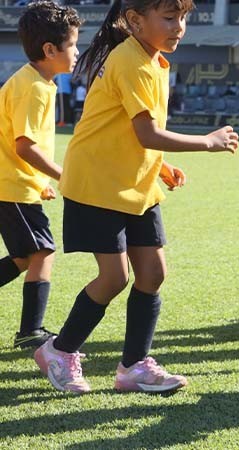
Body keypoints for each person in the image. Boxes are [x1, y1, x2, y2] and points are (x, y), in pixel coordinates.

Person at [34, 0, 239, 395]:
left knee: (153, 273)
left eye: (183, 17)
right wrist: (207, 142)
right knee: (115, 277)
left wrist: (159, 166)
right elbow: (146, 132)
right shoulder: (129, 59)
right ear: (134, 20)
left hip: (135, 185)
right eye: (169, 17)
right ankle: (59, 350)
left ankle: (133, 367)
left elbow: (133, 129)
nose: (179, 27)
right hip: (98, 183)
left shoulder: (154, 59)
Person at [0, 1, 80, 350]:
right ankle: (30, 331)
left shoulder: (36, 82)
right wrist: (62, 175)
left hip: (17, 184)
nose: (78, 51)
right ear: (50, 49)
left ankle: (29, 329)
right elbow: (24, 147)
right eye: (74, 44)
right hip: (11, 184)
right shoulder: (32, 87)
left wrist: (41, 182)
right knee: (43, 251)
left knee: (23, 256)